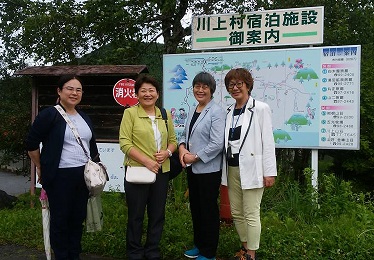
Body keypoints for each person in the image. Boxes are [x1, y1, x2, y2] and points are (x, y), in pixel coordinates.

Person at [26, 75, 100, 260]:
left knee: (77, 219)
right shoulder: (49, 114)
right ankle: (61, 256)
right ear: (59, 91)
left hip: (82, 177)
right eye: (70, 88)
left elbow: (92, 147)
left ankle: (74, 255)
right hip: (60, 176)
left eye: (79, 90)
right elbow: (31, 143)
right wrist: (40, 167)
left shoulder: (83, 116)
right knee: (60, 220)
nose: (74, 93)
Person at [119, 74, 177, 260]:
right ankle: (134, 251)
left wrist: (167, 153)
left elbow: (173, 141)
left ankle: (152, 250)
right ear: (137, 94)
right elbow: (125, 143)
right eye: (143, 90)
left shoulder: (165, 114)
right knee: (135, 215)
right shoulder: (130, 113)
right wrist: (147, 161)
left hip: (161, 172)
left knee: (157, 214)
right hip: (137, 171)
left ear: (158, 94)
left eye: (151, 90)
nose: (147, 94)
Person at [221, 68, 277, 260]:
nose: (235, 88)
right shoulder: (229, 112)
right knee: (236, 212)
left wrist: (270, 172)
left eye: (239, 84)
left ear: (248, 85)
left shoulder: (260, 108)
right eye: (231, 85)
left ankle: (251, 254)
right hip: (232, 168)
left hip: (253, 168)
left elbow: (268, 142)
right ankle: (244, 248)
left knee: (251, 212)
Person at [179, 72, 225, 260]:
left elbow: (217, 143)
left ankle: (209, 252)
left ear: (211, 90)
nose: (200, 90)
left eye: (204, 87)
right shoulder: (193, 109)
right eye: (197, 86)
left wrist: (195, 157)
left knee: (208, 211)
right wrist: (182, 150)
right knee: (196, 208)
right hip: (193, 169)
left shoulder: (217, 111)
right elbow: (184, 135)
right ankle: (199, 245)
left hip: (208, 170)